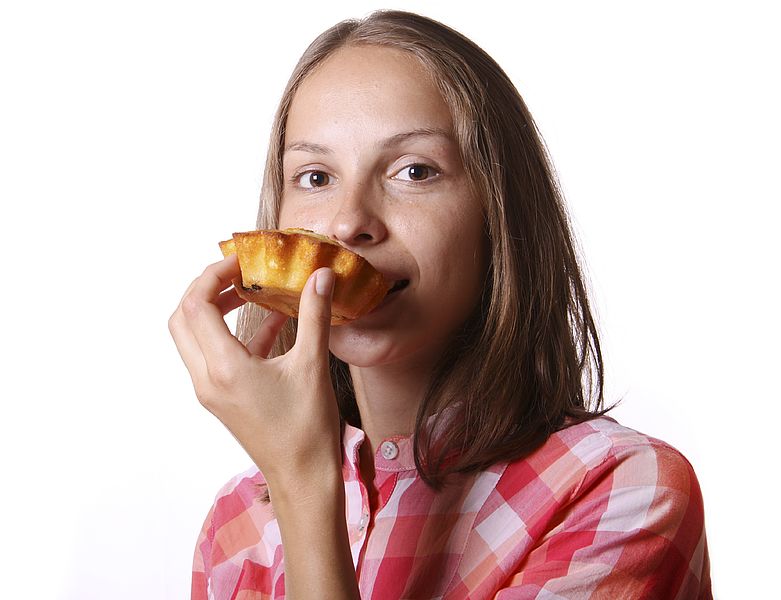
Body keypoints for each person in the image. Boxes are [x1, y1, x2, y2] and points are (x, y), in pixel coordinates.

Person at [169, 9, 712, 600]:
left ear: (498, 214)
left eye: (414, 170)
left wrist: (303, 481)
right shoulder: (237, 526)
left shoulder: (618, 488)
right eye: (316, 177)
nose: (349, 222)